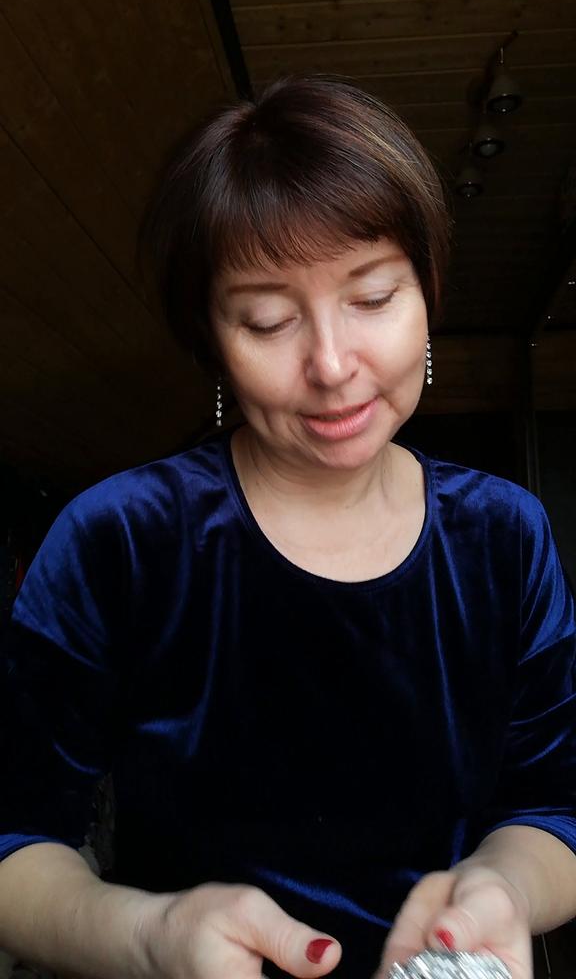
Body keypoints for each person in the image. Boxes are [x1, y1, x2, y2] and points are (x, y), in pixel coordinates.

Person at [0, 74, 575, 979]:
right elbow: (15, 838)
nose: (332, 364)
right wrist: (149, 936)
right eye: (268, 320)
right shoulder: (123, 538)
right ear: (212, 339)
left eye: (373, 298)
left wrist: (502, 888)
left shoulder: (506, 536)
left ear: (428, 294)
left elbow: (555, 808)